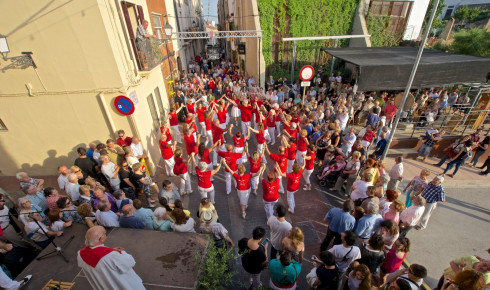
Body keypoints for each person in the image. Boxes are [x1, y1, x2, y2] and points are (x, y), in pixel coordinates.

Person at [77, 226, 145, 290]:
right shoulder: (112, 255)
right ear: (101, 239)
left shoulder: (80, 254)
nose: (105, 234)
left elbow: (98, 257)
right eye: (104, 233)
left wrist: (111, 251)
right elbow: (129, 262)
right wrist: (120, 252)